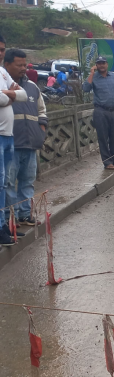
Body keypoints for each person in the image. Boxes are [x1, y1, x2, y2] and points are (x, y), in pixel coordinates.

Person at [4, 49, 46, 228]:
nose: (23, 68)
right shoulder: (4, 86)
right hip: (11, 142)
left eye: (24, 65)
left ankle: (25, 214)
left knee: (27, 181)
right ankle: (8, 216)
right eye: (19, 65)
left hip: (30, 142)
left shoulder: (32, 87)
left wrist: (41, 130)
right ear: (7, 65)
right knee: (7, 182)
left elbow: (42, 110)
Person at [0, 44, 30, 245]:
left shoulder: (2, 72)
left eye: (2, 49)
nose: (0, 53)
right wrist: (10, 96)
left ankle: (3, 225)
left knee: (5, 183)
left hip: (8, 135)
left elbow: (23, 95)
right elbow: (2, 100)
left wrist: (8, 95)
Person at [83, 56, 114, 169]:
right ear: (96, 65)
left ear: (107, 64)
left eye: (103, 63)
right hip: (101, 111)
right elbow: (86, 88)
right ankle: (107, 162)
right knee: (103, 137)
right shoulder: (94, 77)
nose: (101, 65)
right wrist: (91, 73)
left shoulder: (113, 77)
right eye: (99, 63)